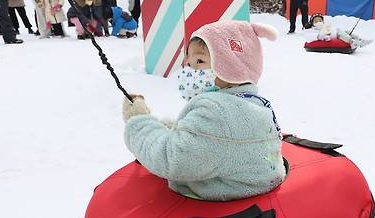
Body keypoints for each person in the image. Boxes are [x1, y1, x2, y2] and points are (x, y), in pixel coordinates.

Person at [121, 21, 286, 201]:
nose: (190, 71)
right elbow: (204, 138)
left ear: (232, 66)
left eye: (199, 61)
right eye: (189, 62)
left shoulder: (216, 112)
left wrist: (139, 120)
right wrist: (160, 125)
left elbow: (172, 158)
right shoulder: (255, 104)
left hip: (217, 208)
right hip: (247, 191)